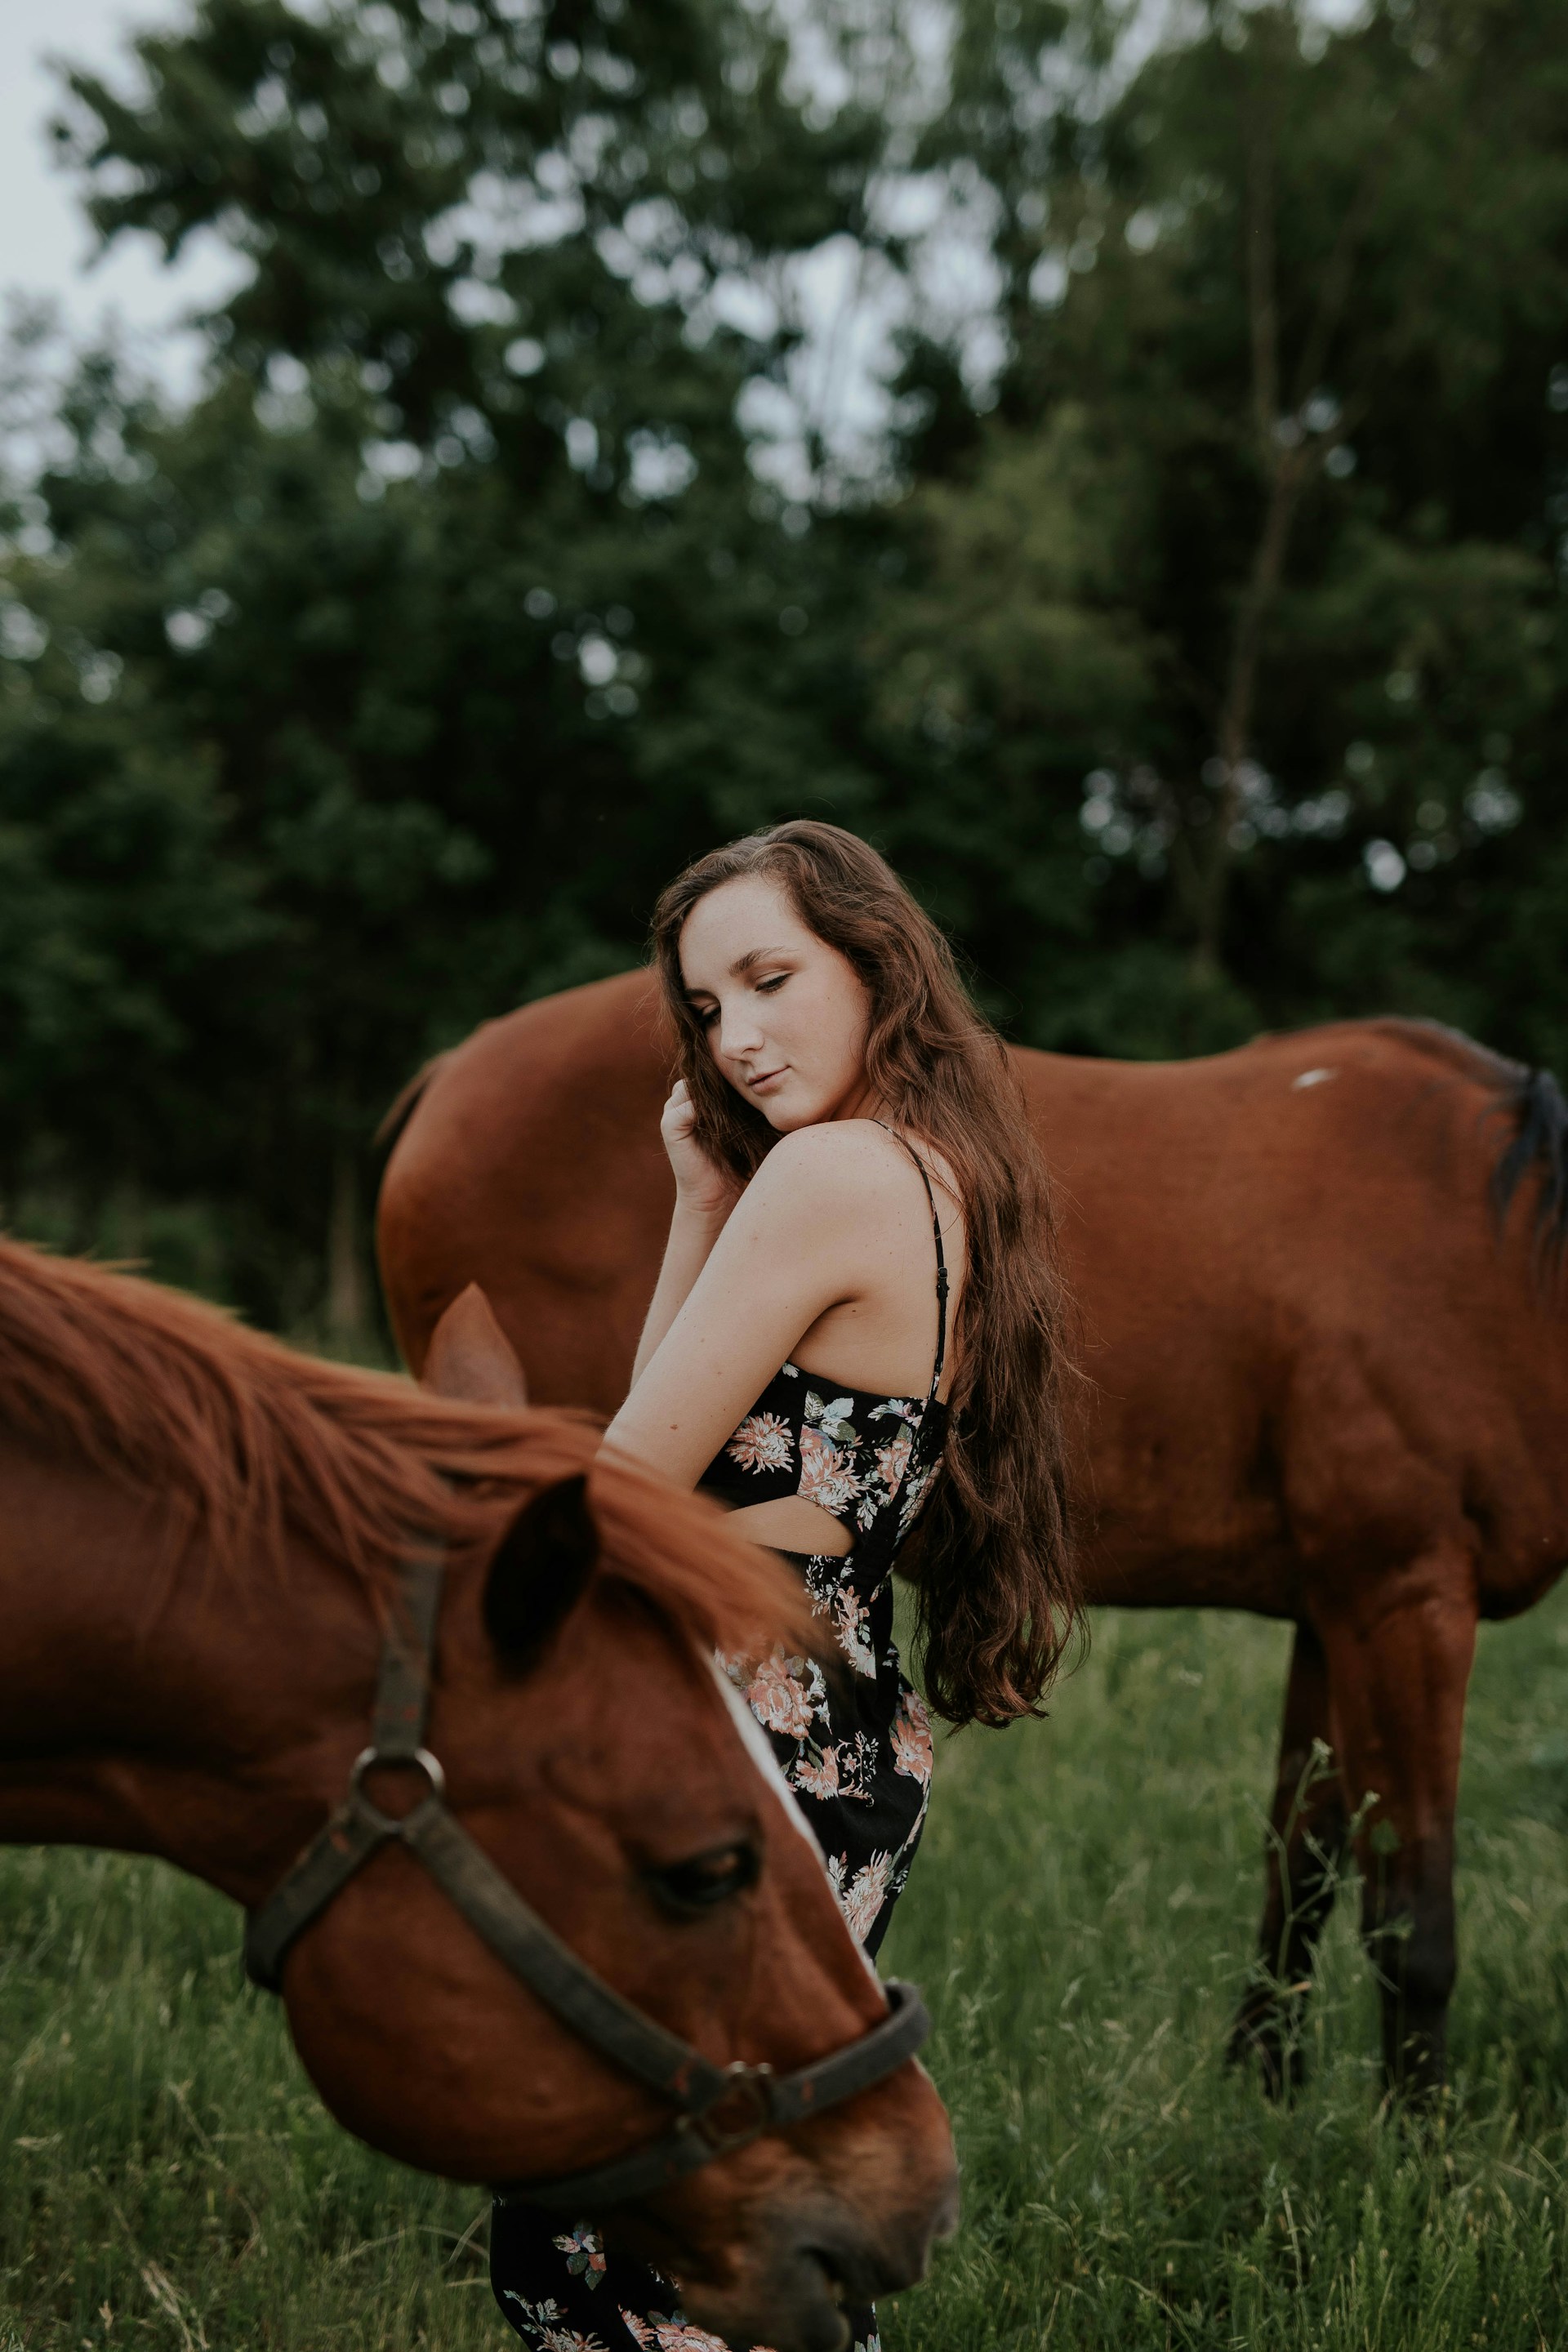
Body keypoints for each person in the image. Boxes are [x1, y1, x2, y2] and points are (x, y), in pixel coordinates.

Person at [491, 819, 1077, 2352]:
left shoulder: (825, 1174)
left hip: (731, 1751)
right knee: (734, 2214)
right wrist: (694, 1194)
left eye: (770, 979)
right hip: (844, 1736)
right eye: (705, 1009)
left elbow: (623, 1489)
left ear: (873, 963)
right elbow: (706, 1456)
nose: (737, 1039)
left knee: (620, 2242)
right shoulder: (943, 1175)